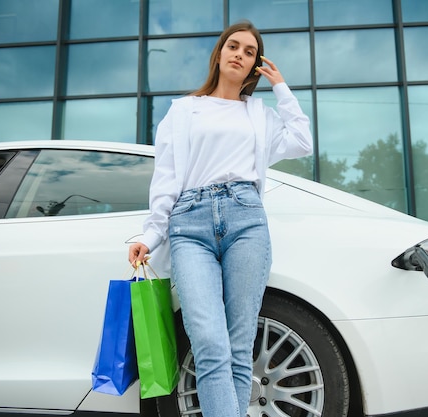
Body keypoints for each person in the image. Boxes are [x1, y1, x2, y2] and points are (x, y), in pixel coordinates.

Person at [128, 20, 312, 417]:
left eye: (249, 52)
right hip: (189, 226)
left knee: (239, 345)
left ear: (253, 67)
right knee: (210, 343)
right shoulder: (183, 111)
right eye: (234, 46)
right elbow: (166, 180)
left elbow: (301, 141)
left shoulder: (258, 115)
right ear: (219, 53)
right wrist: (151, 234)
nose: (240, 55)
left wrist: (281, 87)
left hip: (245, 220)